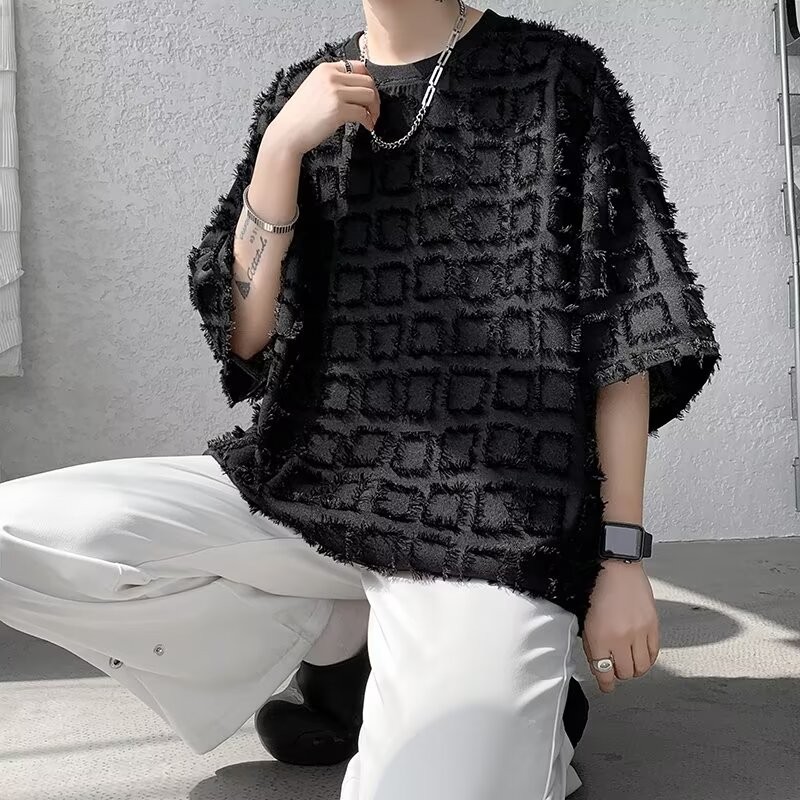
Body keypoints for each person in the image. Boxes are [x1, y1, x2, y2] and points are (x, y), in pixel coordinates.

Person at [0, 2, 721, 798]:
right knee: (14, 536)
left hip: (487, 526)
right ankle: (338, 641)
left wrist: (620, 557)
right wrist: (281, 150)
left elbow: (626, 333)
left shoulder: (558, 79)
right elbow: (246, 337)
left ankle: (507, 706)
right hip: (306, 485)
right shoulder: (301, 92)